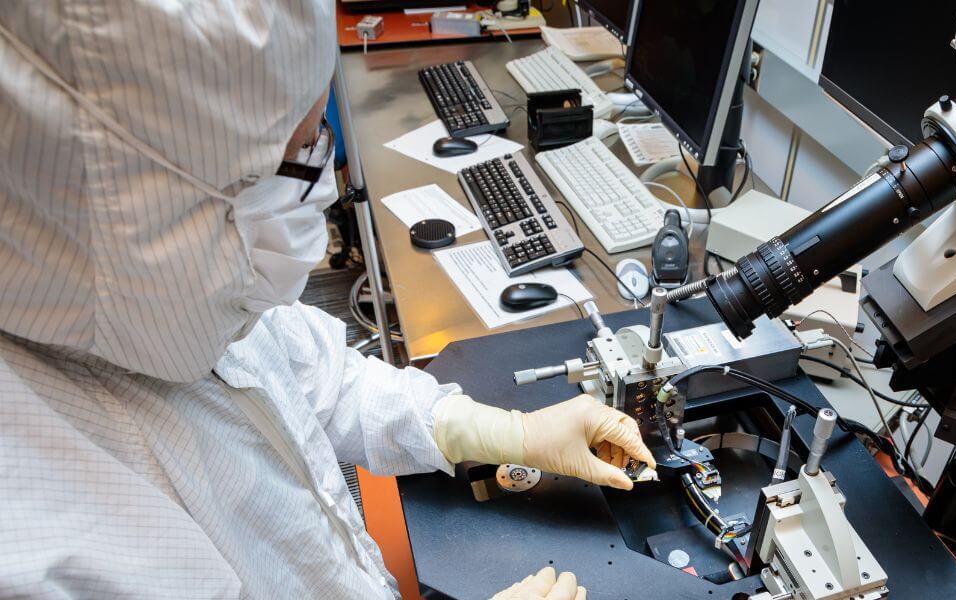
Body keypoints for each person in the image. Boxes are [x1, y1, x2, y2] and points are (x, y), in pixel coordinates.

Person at [0, 3, 653, 599]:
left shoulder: (161, 284)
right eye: (295, 161)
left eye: (320, 141)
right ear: (146, 208)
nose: (320, 193)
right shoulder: (37, 548)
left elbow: (315, 376)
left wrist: (501, 431)